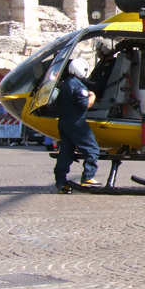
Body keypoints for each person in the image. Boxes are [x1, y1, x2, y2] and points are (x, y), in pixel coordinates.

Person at [54, 56, 101, 193]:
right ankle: (88, 177)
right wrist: (92, 96)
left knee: (66, 152)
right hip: (77, 123)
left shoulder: (64, 84)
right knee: (92, 148)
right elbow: (85, 105)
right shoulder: (79, 87)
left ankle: (61, 183)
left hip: (64, 122)